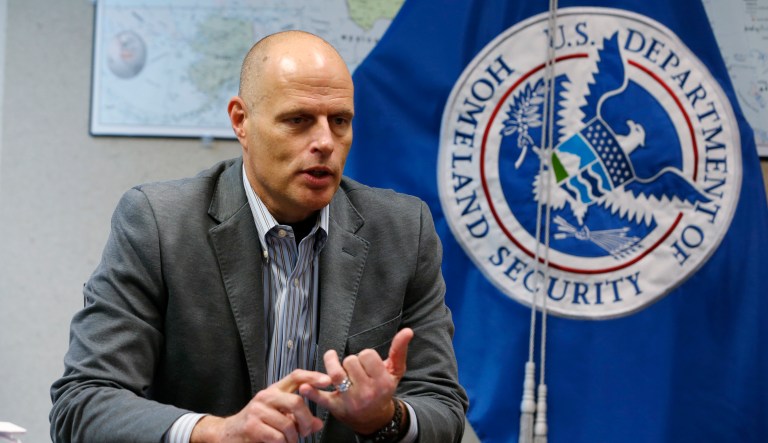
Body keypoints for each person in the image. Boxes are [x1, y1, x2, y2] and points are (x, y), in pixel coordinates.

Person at [50, 30, 468, 443]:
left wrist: (385, 417)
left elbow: (443, 406)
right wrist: (215, 432)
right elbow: (82, 403)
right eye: (298, 120)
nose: (325, 142)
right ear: (241, 121)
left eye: (339, 121)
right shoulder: (160, 224)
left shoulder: (401, 230)